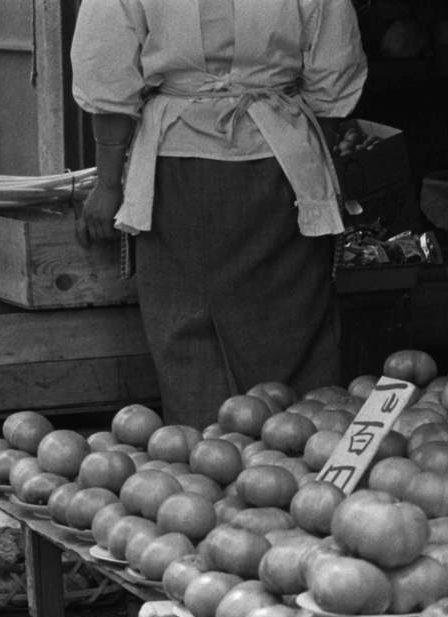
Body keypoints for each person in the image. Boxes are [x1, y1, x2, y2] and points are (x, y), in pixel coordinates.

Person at [70, 0, 368, 429]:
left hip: (176, 170)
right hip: (279, 164)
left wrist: (110, 185)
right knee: (288, 328)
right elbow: (333, 74)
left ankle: (201, 466)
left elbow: (107, 72)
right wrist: (322, 178)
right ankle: (303, 451)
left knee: (188, 330)